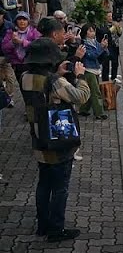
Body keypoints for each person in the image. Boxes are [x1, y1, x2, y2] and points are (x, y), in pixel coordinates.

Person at [20, 38, 90, 242]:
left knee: (44, 184)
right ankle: (56, 229)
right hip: (58, 139)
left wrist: (56, 75)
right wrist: (80, 76)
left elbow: (41, 92)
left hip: (38, 138)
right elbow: (81, 96)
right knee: (60, 187)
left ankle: (43, 225)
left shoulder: (25, 77)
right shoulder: (55, 82)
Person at [77, 24, 108, 120]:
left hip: (96, 69)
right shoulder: (84, 44)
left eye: (93, 31)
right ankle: (99, 112)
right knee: (95, 91)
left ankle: (83, 109)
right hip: (88, 69)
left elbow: (105, 54)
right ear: (85, 32)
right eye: (90, 31)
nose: (92, 33)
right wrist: (101, 48)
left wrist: (105, 47)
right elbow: (92, 55)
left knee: (90, 90)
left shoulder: (96, 42)